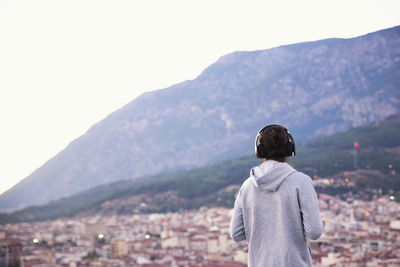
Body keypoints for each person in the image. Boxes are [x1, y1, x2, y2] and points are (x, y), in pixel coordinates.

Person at [230, 124, 323, 267]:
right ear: (290, 149)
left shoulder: (247, 186)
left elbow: (236, 233)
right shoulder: (302, 181)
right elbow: (314, 232)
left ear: (259, 150)